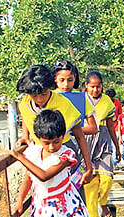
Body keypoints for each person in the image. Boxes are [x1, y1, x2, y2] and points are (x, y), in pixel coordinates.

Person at [16, 64, 93, 186]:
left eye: (43, 94)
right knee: (42, 189)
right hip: (40, 154)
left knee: (70, 190)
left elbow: (79, 136)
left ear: (50, 88)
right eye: (34, 95)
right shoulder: (24, 103)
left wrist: (88, 167)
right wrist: (25, 136)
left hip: (63, 151)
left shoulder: (63, 104)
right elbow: (26, 117)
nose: (39, 99)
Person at [52, 60, 99, 191]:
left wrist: (72, 130)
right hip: (51, 149)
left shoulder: (82, 98)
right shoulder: (48, 96)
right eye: (61, 80)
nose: (66, 84)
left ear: (75, 79)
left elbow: (93, 128)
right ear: (54, 79)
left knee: (74, 187)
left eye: (70, 80)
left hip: (73, 148)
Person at [83, 70, 121, 217]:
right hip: (85, 140)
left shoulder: (107, 102)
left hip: (104, 140)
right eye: (92, 86)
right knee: (91, 181)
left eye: (98, 87)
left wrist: (117, 147)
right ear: (86, 85)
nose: (95, 90)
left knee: (107, 178)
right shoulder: (80, 99)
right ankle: (93, 216)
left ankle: (103, 202)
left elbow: (111, 126)